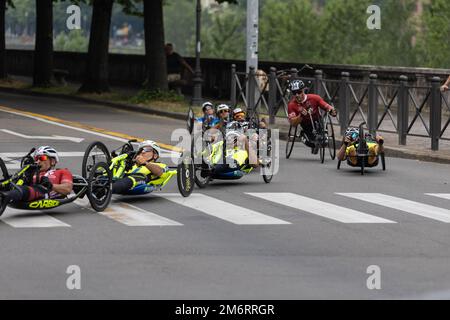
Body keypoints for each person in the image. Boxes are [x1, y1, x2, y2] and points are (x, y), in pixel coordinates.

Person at [0, 146, 73, 211]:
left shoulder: (62, 171)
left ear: (53, 161)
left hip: (40, 191)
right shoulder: (34, 171)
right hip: (23, 187)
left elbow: (67, 188)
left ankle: (5, 196)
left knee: (26, 190)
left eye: (42, 158)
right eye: (36, 158)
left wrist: (50, 186)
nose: (38, 161)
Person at [287, 79, 337, 154]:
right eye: (294, 93)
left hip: (318, 120)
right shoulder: (291, 105)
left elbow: (325, 105)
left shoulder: (314, 98)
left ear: (303, 90)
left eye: (299, 92)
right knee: (310, 143)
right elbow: (293, 123)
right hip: (305, 125)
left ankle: (320, 138)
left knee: (324, 142)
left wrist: (331, 110)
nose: (297, 95)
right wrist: (301, 116)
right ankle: (313, 144)